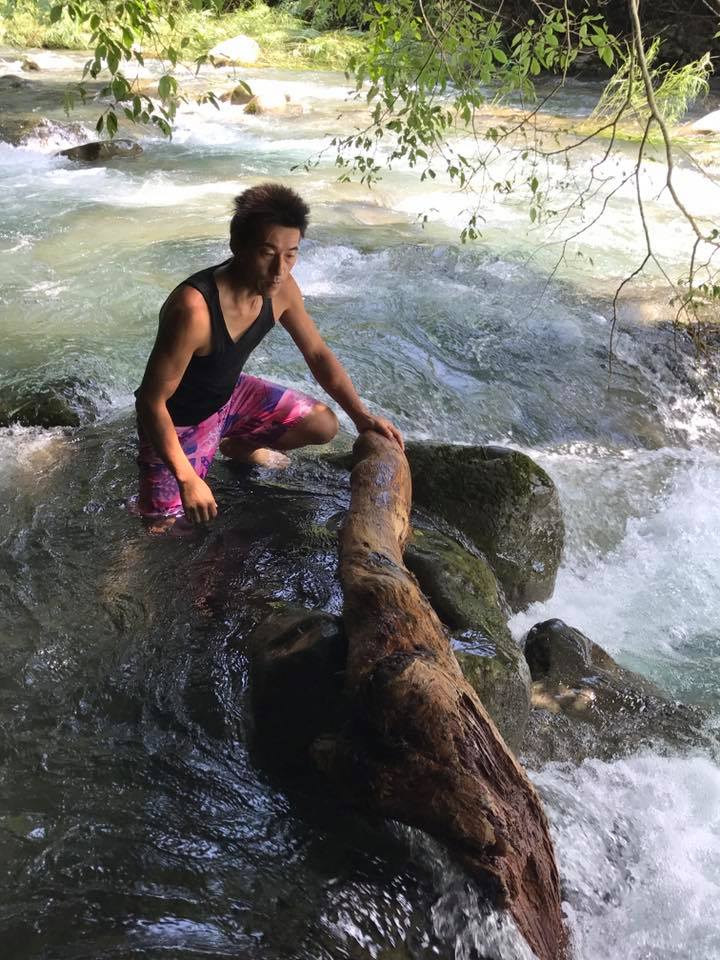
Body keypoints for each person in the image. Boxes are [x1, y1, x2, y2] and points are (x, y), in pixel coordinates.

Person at [134, 182, 403, 529]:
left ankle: (237, 446)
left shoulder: (283, 290)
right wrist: (187, 477)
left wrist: (361, 416)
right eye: (267, 252)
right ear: (237, 246)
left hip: (230, 396)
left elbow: (318, 354)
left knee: (324, 424)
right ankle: (203, 457)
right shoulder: (194, 309)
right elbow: (151, 402)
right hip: (180, 420)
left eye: (291, 253)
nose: (280, 269)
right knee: (163, 528)